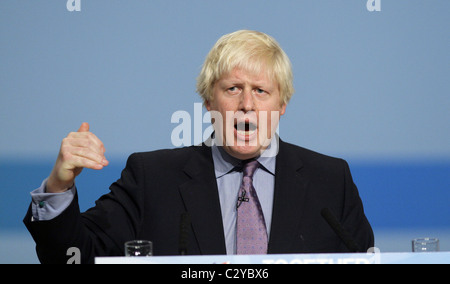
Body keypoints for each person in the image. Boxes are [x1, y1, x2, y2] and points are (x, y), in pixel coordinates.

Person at [24, 30, 374, 264]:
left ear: (283, 104)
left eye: (261, 91)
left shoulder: (330, 180)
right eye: (233, 88)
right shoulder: (152, 178)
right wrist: (58, 187)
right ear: (209, 101)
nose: (247, 104)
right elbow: (74, 257)